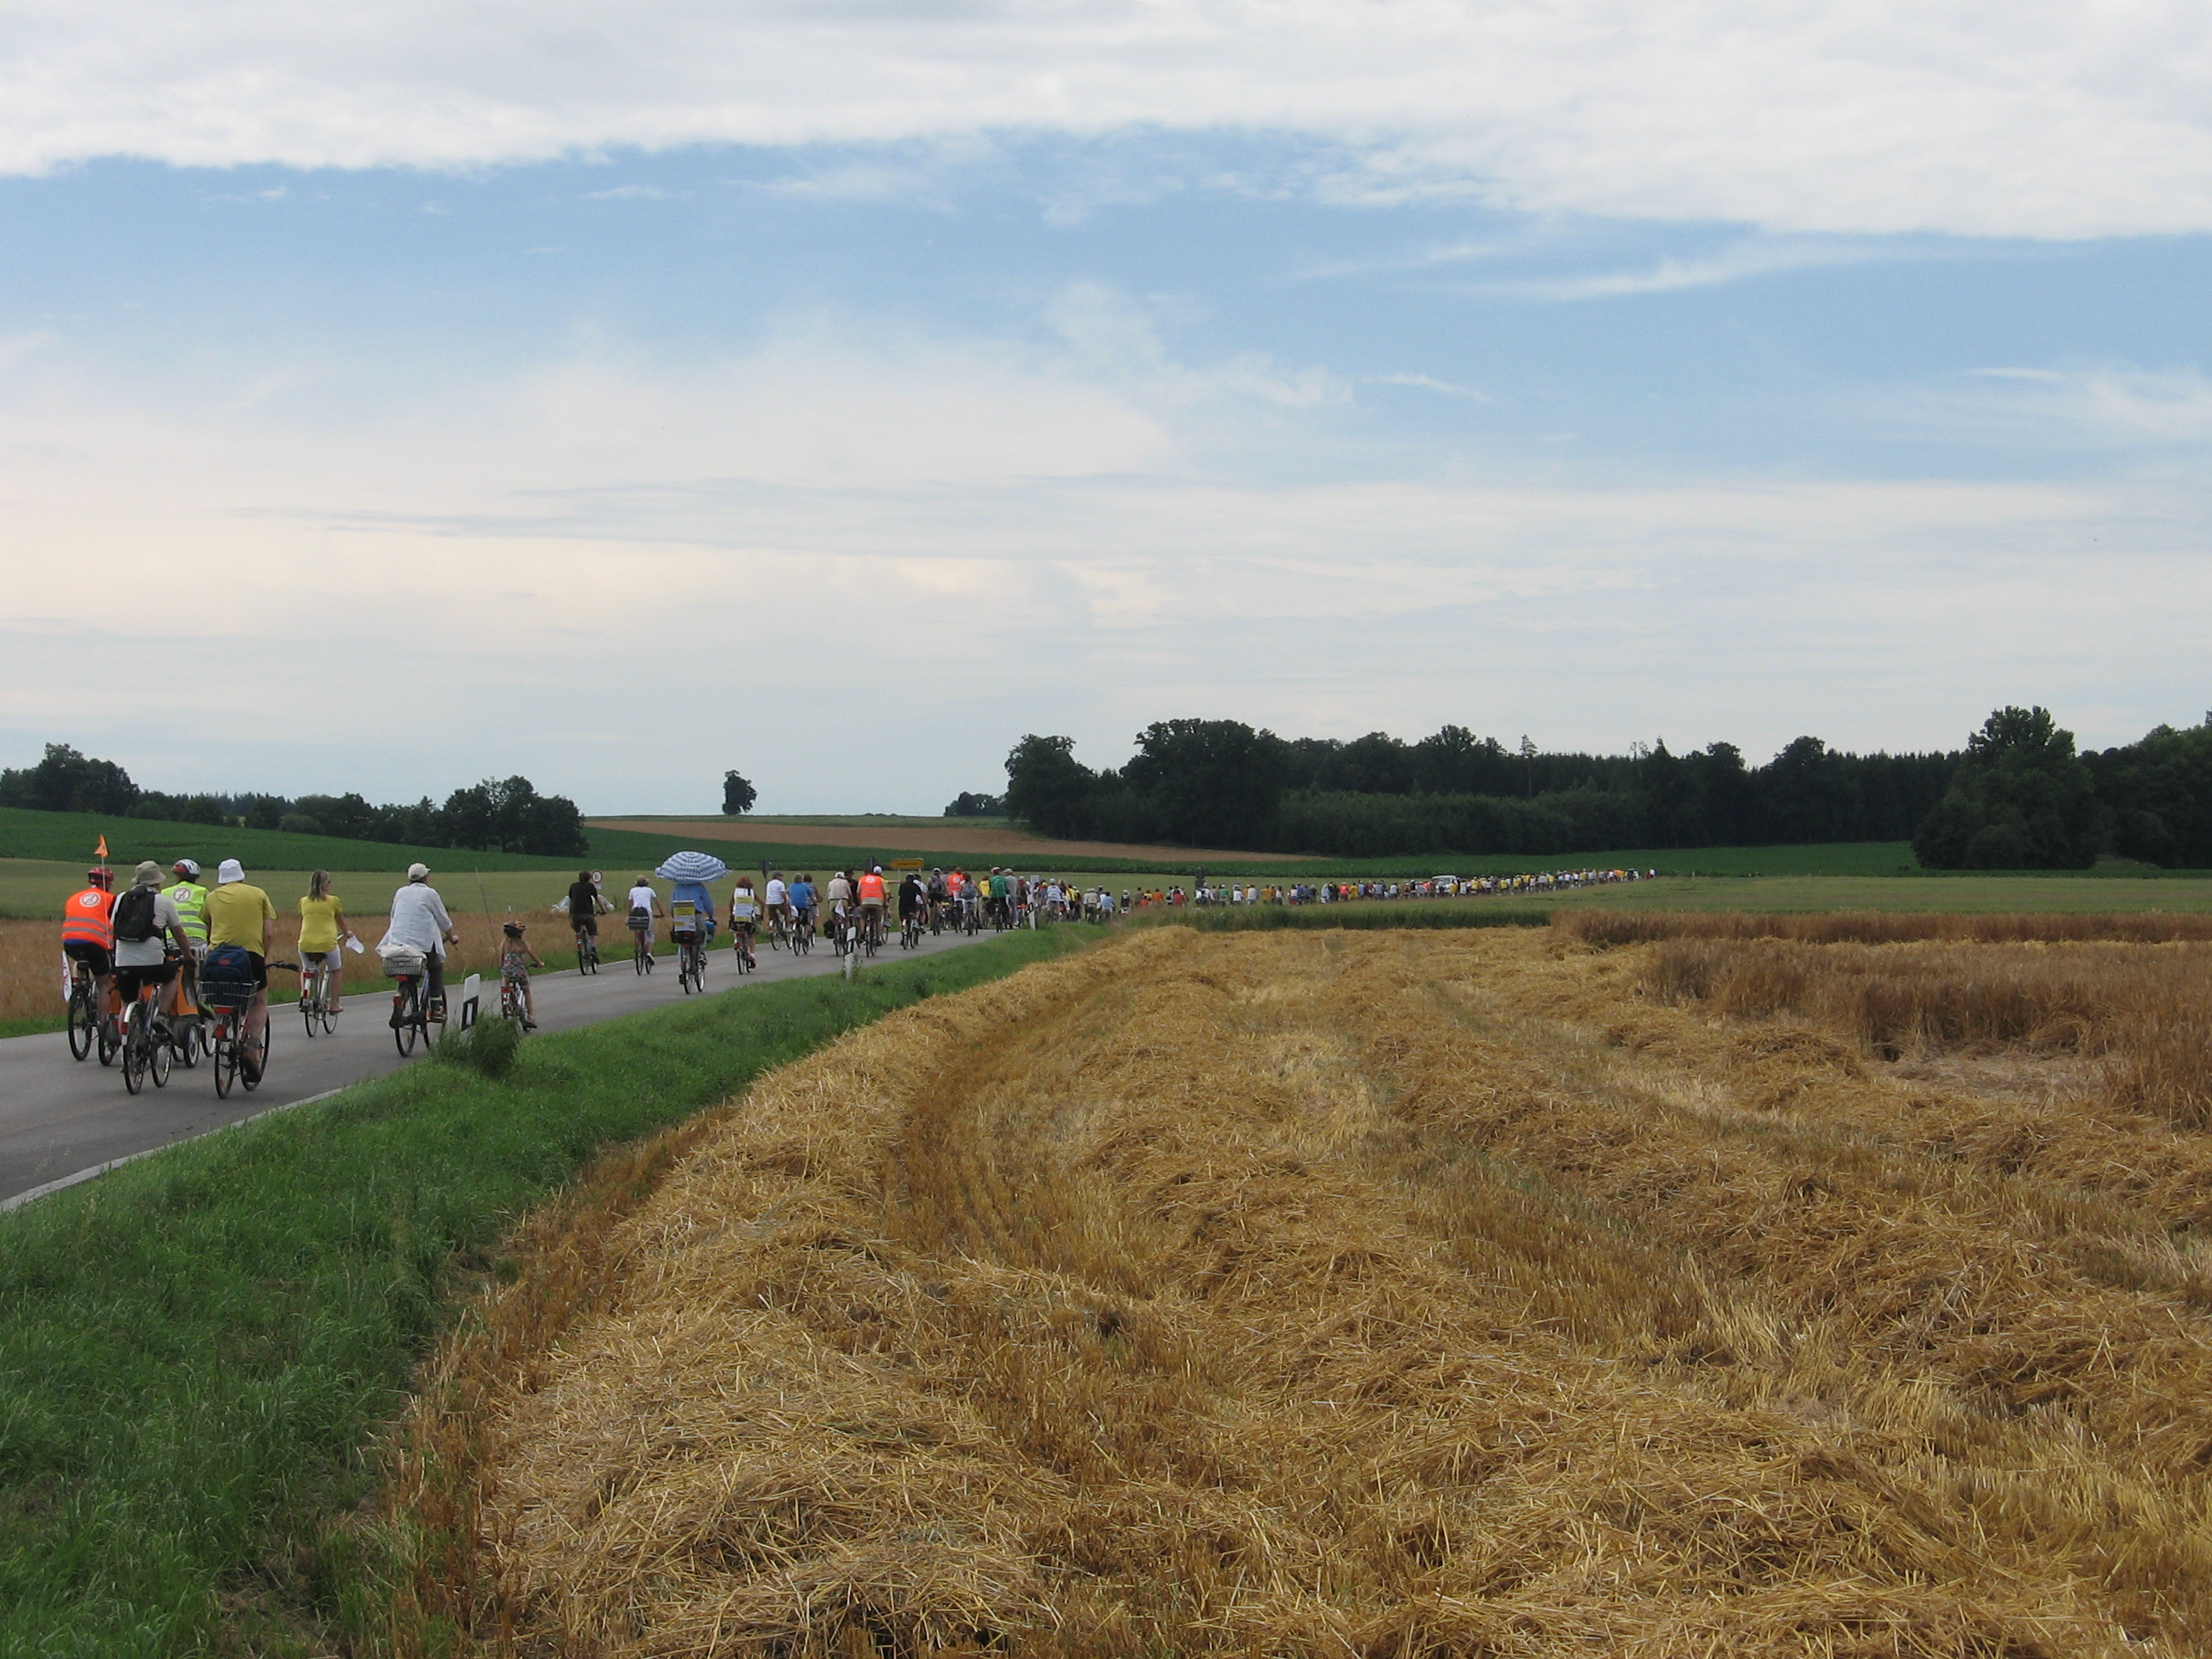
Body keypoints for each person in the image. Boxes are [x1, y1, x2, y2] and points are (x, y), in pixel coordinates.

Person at [203, 859, 278, 1062]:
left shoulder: (211, 897)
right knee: (259, 1001)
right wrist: (264, 956)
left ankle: (222, 1023)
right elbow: (268, 934)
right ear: (241, 875)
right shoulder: (258, 894)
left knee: (220, 994)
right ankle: (252, 1047)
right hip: (250, 955)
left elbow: (209, 928)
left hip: (217, 957)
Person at [110, 861, 192, 1030]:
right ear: (157, 882)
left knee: (127, 1003)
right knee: (171, 976)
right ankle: (161, 1015)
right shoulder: (163, 901)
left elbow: (113, 928)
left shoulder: (121, 898)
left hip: (123, 961)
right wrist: (188, 956)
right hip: (153, 962)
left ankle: (126, 1040)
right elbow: (180, 935)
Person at [385, 863, 458, 1019]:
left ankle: (401, 999)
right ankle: (436, 1007)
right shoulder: (430, 894)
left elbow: (393, 915)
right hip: (421, 944)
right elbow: (443, 920)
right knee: (436, 967)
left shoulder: (400, 892)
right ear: (426, 878)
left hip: (397, 942)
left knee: (407, 970)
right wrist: (452, 937)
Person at [61, 865, 118, 1031]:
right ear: (108, 883)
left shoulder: (74, 897)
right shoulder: (110, 899)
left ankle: (77, 981)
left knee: (79, 958)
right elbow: (115, 925)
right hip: (95, 943)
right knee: (103, 984)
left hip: (70, 942)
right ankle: (101, 1023)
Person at [298, 870, 352, 1012]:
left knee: (306, 969)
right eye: (329, 882)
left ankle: (304, 995)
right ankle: (334, 1003)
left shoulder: (303, 901)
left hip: (305, 943)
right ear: (325, 885)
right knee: (336, 970)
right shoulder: (333, 901)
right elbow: (341, 922)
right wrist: (347, 933)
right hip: (327, 943)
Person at [498, 921, 544, 1029]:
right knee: (526, 990)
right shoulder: (522, 944)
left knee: (506, 985)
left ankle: (506, 1002)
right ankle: (530, 1016)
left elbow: (501, 957)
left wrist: (501, 967)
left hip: (507, 971)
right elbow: (533, 955)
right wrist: (540, 964)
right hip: (519, 971)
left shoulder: (505, 943)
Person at [626, 875, 664, 963]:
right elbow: (657, 903)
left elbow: (630, 903)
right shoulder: (650, 890)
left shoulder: (632, 890)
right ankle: (648, 953)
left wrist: (629, 914)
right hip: (647, 912)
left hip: (635, 912)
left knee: (636, 931)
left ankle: (637, 949)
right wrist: (662, 913)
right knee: (650, 934)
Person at [566, 870, 603, 953]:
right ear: (589, 878)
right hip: (587, 913)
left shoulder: (573, 886)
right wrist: (603, 910)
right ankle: (593, 948)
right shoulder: (590, 886)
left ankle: (579, 944)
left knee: (577, 930)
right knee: (593, 932)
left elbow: (571, 899)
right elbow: (597, 899)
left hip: (575, 913)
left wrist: (570, 913)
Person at [728, 876, 760, 967]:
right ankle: (752, 955)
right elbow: (762, 903)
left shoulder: (736, 891)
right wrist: (761, 914)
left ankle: (736, 941)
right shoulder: (752, 892)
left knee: (735, 928)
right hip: (748, 918)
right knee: (751, 935)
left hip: (737, 916)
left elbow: (731, 904)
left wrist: (731, 914)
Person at [856, 864, 887, 945]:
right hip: (877, 902)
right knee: (878, 921)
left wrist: (860, 902)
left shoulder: (862, 879)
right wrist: (885, 902)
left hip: (865, 901)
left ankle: (862, 932)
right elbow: (884, 892)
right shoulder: (879, 880)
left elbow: (858, 892)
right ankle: (878, 939)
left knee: (863, 918)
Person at [788, 872, 817, 939]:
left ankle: (792, 925)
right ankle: (805, 936)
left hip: (793, 906)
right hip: (803, 906)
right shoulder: (805, 886)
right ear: (801, 879)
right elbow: (811, 894)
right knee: (807, 922)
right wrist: (814, 902)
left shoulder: (791, 886)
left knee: (794, 916)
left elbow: (788, 893)